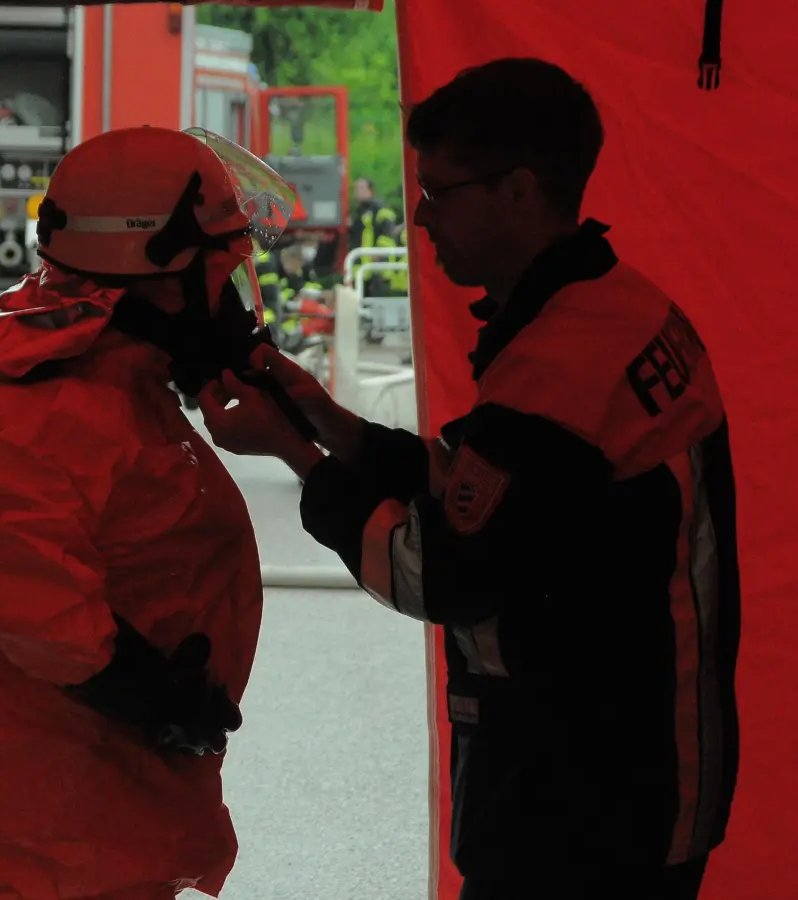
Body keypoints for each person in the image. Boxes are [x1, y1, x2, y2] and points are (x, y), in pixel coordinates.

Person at [198, 58, 740, 900]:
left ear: (518, 192)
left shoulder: (558, 373)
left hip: (586, 806)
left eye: (439, 192)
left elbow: (438, 572)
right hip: (638, 769)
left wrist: (299, 459)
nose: (419, 216)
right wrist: (325, 419)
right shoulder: (616, 307)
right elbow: (490, 488)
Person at [0, 125, 299, 900]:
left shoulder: (111, 375)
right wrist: (151, 694)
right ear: (155, 274)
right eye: (220, 273)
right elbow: (39, 609)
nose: (232, 304)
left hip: (99, 788)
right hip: (61, 802)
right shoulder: (34, 406)